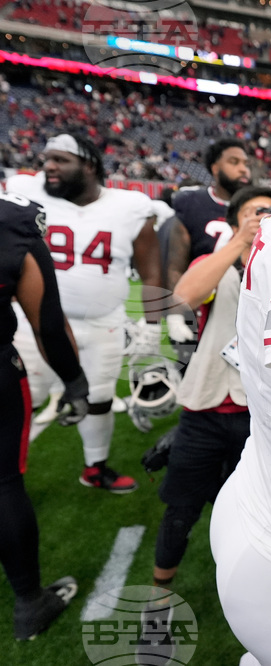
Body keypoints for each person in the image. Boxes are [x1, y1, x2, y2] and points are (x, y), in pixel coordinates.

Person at [5, 134, 162, 493]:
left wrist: (153, 325)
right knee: (21, 400)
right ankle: (7, 479)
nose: (49, 166)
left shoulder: (130, 206)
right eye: (47, 158)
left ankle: (95, 468)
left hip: (102, 324)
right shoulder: (26, 192)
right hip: (33, 324)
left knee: (100, 399)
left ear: (89, 165)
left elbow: (151, 272)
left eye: (60, 160)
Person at [150, 185, 271, 590]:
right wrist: (240, 242)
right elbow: (184, 297)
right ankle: (159, 596)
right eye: (255, 211)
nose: (264, 216)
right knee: (180, 509)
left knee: (260, 509)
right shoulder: (214, 262)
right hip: (205, 409)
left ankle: (251, 590)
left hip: (261, 414)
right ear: (234, 220)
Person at [0, 191, 88, 640]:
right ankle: (29, 603)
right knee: (2, 485)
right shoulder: (12, 219)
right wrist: (75, 381)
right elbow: (48, 324)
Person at [161, 139, 251, 350]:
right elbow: (176, 266)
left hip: (245, 310)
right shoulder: (193, 203)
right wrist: (177, 315)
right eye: (234, 162)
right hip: (202, 305)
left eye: (245, 163)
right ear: (215, 168)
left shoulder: (259, 204)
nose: (243, 169)